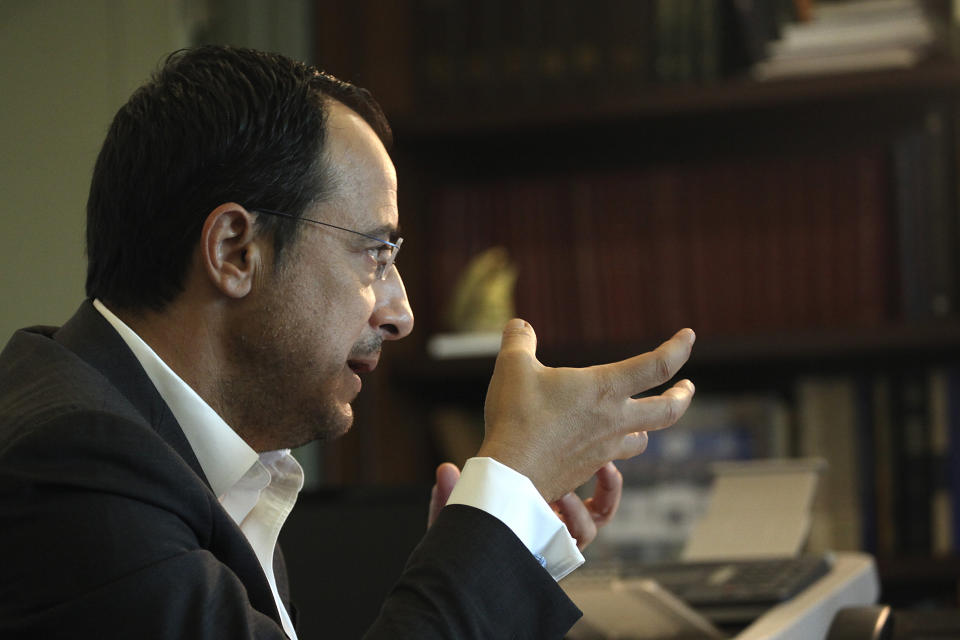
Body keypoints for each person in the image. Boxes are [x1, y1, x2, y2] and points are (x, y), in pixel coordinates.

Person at [0, 45, 695, 638]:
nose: (401, 315)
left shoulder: (180, 458)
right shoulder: (68, 466)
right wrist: (503, 499)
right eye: (374, 256)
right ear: (236, 251)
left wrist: (491, 551)